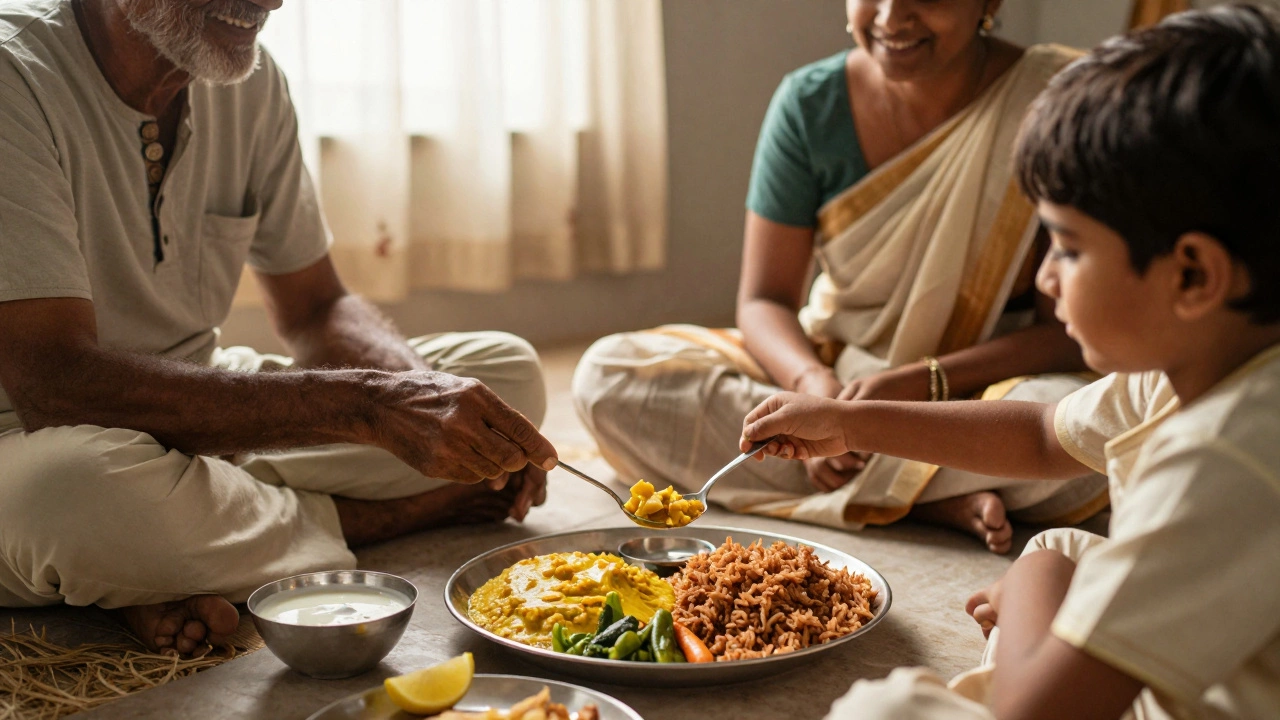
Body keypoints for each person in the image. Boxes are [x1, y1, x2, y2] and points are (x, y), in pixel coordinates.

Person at [742, 5, 1280, 717]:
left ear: (1192, 276)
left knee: (885, 707)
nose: (1049, 278)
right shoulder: (1194, 367)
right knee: (1058, 543)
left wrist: (1034, 591)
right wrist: (848, 419)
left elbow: (1037, 714)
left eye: (1070, 247)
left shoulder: (1222, 456)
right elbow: (1038, 434)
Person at [0, 0, 559, 656]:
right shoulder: (16, 77)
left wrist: (425, 403)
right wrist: (371, 411)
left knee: (506, 375)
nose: (271, 1)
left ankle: (170, 563)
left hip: (204, 416)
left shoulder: (249, 80)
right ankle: (362, 521)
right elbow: (56, 383)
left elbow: (317, 307)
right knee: (78, 501)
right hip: (34, 442)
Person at [572, 0, 1106, 554]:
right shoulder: (809, 104)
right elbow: (764, 300)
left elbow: (1065, 331)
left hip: (987, 392)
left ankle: (879, 485)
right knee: (610, 378)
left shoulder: (1058, 100)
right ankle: (931, 497)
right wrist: (815, 392)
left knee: (1096, 434)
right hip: (839, 363)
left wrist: (917, 386)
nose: (892, 17)